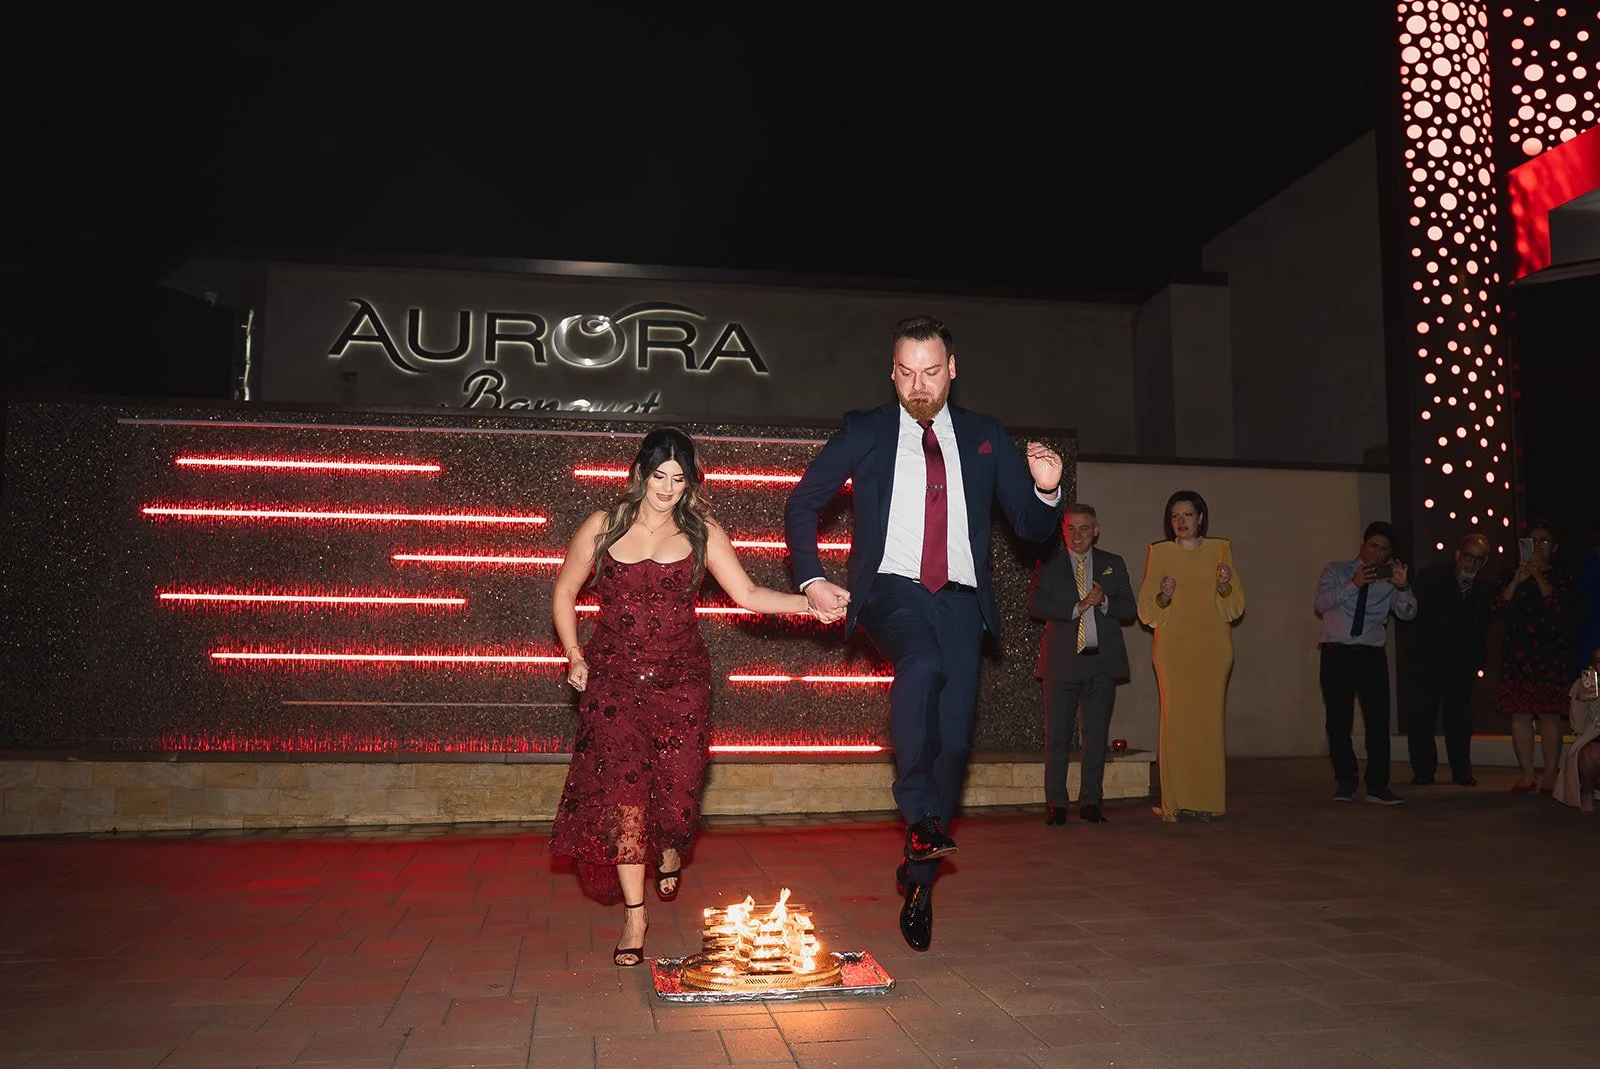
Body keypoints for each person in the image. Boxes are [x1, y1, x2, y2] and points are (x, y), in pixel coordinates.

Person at [784, 315, 1063, 953]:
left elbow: (1029, 525)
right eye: (906, 374)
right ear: (892, 372)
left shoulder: (987, 436)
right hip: (891, 591)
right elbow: (802, 503)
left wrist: (1047, 494)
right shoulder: (867, 430)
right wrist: (811, 580)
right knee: (922, 663)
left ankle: (920, 871)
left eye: (930, 373)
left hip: (962, 604)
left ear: (952, 369)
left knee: (953, 745)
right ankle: (917, 811)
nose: (918, 386)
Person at [549, 427, 843, 968]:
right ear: (639, 472)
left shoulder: (703, 531)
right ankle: (635, 915)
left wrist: (810, 605)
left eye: (678, 479)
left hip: (681, 684)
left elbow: (748, 594)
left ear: (690, 482)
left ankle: (669, 849)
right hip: (612, 683)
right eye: (658, 476)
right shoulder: (603, 525)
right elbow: (566, 590)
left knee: (678, 797)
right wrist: (574, 654)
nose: (666, 487)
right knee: (625, 796)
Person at [1136, 490, 1246, 821]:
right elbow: (1147, 612)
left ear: (1200, 517)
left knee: (1208, 724)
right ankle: (1177, 800)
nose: (1180, 522)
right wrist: (1164, 595)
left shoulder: (1220, 549)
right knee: (1177, 723)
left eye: (1187, 515)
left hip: (1213, 649)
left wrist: (1225, 585)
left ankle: (1208, 800)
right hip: (1173, 650)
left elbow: (1235, 607)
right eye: (1175, 516)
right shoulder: (1159, 552)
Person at [1029, 504, 1136, 826]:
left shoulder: (1112, 564)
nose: (1077, 535)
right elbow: (1036, 606)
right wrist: (1077, 606)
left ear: (1096, 530)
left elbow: (1129, 609)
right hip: (1061, 664)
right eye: (1071, 529)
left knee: (1096, 735)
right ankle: (1056, 804)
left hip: (1101, 664)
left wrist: (1103, 601)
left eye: (1084, 528)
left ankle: (1091, 801)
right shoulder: (1048, 564)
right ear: (1063, 530)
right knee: (1057, 737)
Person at [1313, 521, 1415, 805]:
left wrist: (1404, 587)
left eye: (1384, 550)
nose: (1378, 554)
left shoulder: (1391, 579)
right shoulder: (1336, 569)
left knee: (1378, 721)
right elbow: (1321, 603)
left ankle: (1378, 785)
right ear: (1363, 544)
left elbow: (1408, 614)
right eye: (1373, 546)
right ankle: (1346, 780)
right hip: (1337, 653)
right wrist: (1354, 583)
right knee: (1338, 721)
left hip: (1371, 654)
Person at [1402, 533, 1493, 786]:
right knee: (1421, 719)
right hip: (1427, 660)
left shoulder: (1485, 589)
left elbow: (1481, 627)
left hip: (1460, 666)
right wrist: (1416, 651)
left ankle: (1461, 771)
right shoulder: (1430, 578)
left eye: (1478, 559)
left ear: (1484, 562)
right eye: (1468, 556)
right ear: (1457, 555)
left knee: (1460, 722)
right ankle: (1423, 771)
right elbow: (1414, 618)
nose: (1471, 564)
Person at [1494, 519, 1574, 795]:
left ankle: (1551, 774)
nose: (1538, 546)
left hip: (1549, 654)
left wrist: (1538, 575)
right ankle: (1527, 775)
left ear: (1554, 547)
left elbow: (1558, 608)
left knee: (1549, 716)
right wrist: (1518, 579)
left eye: (1544, 541)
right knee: (1520, 716)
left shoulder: (1561, 576)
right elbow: (1497, 608)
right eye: (1533, 541)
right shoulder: (1509, 575)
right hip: (1517, 655)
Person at [1551, 646, 1600, 815]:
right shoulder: (1583, 685)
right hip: (1595, 735)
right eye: (1598, 661)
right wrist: (1580, 701)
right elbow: (1578, 727)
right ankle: (1587, 793)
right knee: (1589, 753)